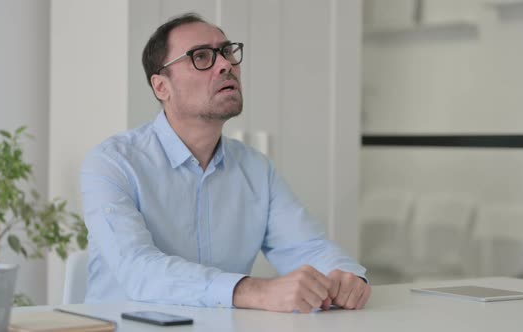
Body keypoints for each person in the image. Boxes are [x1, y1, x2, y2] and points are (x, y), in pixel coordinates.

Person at [80, 12, 370, 313]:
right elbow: (138, 269)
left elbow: (307, 247)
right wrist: (254, 291)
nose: (226, 65)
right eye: (201, 57)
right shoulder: (113, 163)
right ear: (161, 87)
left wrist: (346, 277)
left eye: (227, 51)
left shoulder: (256, 169)